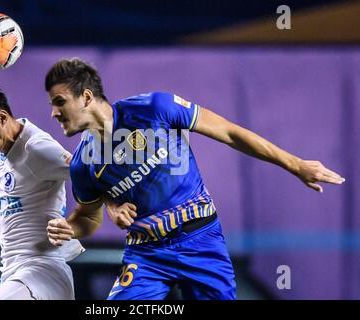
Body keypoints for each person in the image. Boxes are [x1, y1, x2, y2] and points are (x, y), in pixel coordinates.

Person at [44, 58, 345, 300]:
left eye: (59, 101)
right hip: (147, 255)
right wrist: (68, 228)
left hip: (201, 240)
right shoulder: (83, 164)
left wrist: (295, 164)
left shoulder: (154, 108)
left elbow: (230, 132)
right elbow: (88, 218)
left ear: (86, 97)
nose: (54, 113)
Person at [0, 79, 87, 300]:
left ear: (2, 118)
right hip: (15, 276)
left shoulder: (36, 148)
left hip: (42, 273)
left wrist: (79, 220)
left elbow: (94, 177)